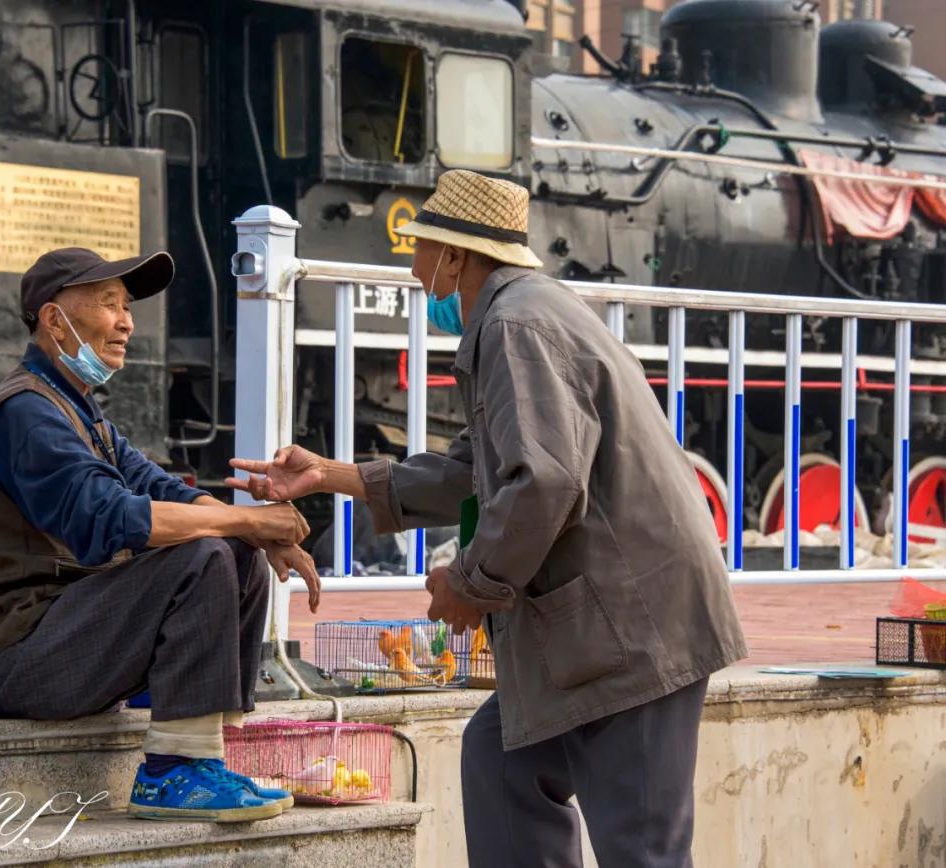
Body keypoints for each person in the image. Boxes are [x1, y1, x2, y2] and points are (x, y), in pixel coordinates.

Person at [229, 170, 747, 865]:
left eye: (420, 249)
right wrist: (330, 476)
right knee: (503, 761)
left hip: (634, 629)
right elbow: (475, 468)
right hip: (600, 629)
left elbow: (544, 482)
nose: (413, 268)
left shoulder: (515, 324)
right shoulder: (513, 314)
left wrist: (469, 583)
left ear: (456, 257)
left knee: (643, 849)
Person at [0, 246, 321, 823]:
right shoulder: (25, 413)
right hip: (13, 663)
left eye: (127, 306)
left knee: (237, 552)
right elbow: (113, 519)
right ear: (53, 320)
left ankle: (204, 754)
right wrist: (248, 518)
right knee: (201, 556)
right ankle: (171, 772)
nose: (126, 321)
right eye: (108, 304)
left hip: (63, 638)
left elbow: (158, 486)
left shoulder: (80, 410)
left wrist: (257, 533)